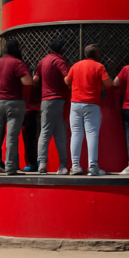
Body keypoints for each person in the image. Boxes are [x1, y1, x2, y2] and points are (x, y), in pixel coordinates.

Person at [0, 40, 32, 175]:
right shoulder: (18, 63)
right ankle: (11, 167)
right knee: (12, 135)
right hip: (15, 102)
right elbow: (27, 81)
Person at [64, 44, 113, 176]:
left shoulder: (75, 66)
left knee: (76, 135)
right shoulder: (99, 66)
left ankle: (75, 166)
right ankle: (93, 167)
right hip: (92, 103)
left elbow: (67, 81)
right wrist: (98, 85)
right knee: (92, 135)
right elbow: (109, 83)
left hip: (75, 103)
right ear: (97, 55)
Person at [36, 39, 71, 175]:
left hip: (46, 100)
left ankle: (45, 165)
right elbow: (68, 78)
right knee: (53, 132)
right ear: (61, 51)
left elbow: (35, 81)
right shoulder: (60, 62)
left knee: (56, 131)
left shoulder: (42, 61)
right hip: (57, 99)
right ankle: (58, 165)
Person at [20, 69, 42, 172]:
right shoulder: (38, 86)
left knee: (28, 140)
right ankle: (37, 161)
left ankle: (31, 163)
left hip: (27, 112)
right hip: (36, 111)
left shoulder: (23, 85)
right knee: (36, 139)